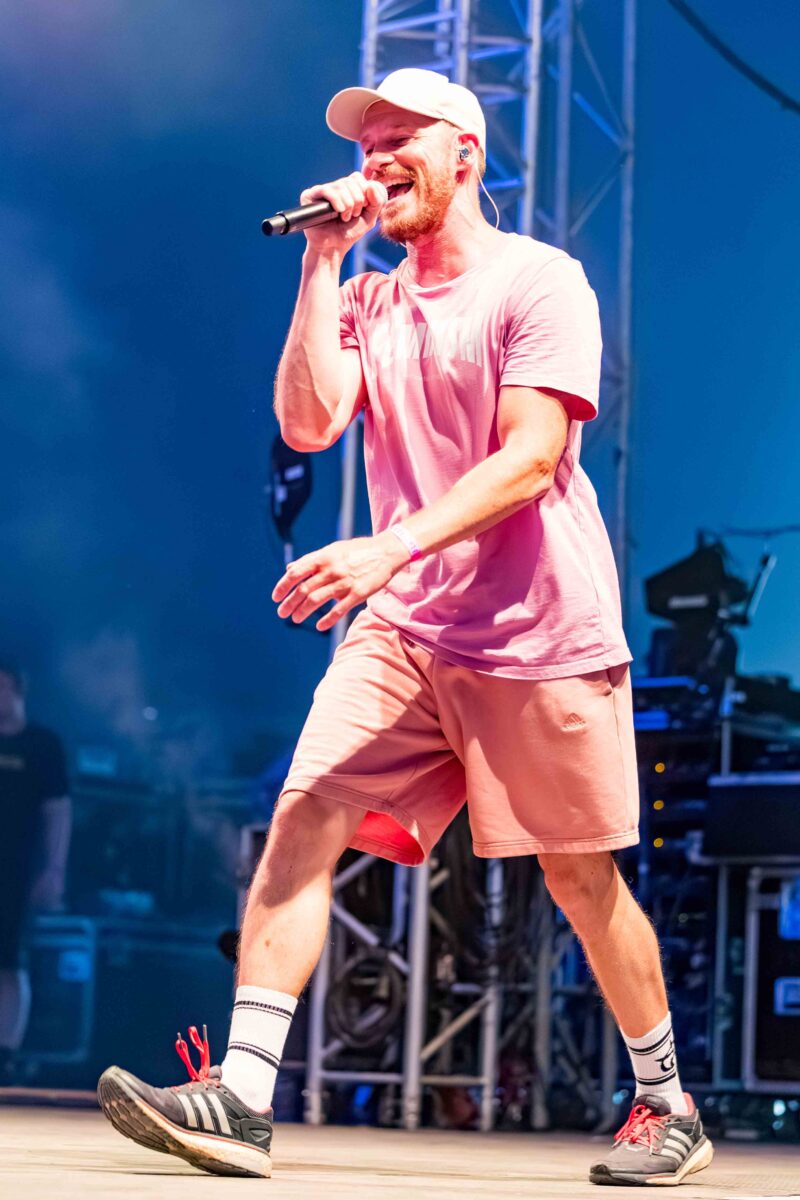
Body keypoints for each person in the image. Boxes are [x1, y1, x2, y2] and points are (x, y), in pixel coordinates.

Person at [98, 68, 714, 1186]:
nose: (377, 158)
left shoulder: (541, 282)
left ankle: (667, 1104)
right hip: (408, 629)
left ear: (464, 155)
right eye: (365, 142)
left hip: (538, 630)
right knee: (303, 817)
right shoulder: (366, 298)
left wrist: (388, 546)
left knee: (578, 880)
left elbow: (531, 457)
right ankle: (242, 1098)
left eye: (400, 139)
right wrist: (322, 262)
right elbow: (308, 423)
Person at [0, 658, 71, 1077]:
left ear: (18, 691)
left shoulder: (42, 745)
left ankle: (6, 1053)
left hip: (18, 870)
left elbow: (58, 812)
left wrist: (53, 871)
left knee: (10, 959)